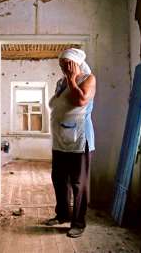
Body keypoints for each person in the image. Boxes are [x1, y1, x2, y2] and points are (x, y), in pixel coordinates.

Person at [46, 48, 96, 238]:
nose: (63, 68)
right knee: (59, 179)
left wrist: (72, 78)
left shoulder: (89, 79)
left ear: (76, 63)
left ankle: (78, 222)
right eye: (61, 64)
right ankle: (62, 215)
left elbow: (80, 100)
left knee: (78, 183)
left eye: (67, 64)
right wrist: (67, 79)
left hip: (79, 140)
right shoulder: (61, 82)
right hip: (60, 139)